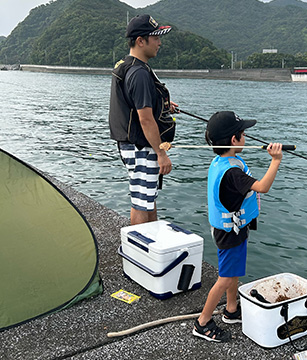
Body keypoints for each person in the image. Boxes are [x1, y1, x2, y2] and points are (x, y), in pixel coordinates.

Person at [192, 111, 283, 342]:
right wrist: (276, 160)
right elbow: (262, 187)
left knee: (232, 273)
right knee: (224, 277)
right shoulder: (232, 172)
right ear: (234, 140)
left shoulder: (221, 161)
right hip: (230, 233)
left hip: (231, 229)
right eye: (243, 134)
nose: (246, 138)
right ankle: (202, 322)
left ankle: (231, 310)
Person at [109, 14, 178, 225]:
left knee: (148, 198)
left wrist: (164, 105)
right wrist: (161, 153)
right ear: (141, 41)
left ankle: (151, 243)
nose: (159, 43)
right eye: (155, 38)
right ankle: (139, 250)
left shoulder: (129, 65)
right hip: (141, 146)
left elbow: (136, 104)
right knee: (141, 200)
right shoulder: (138, 73)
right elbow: (146, 120)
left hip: (137, 144)